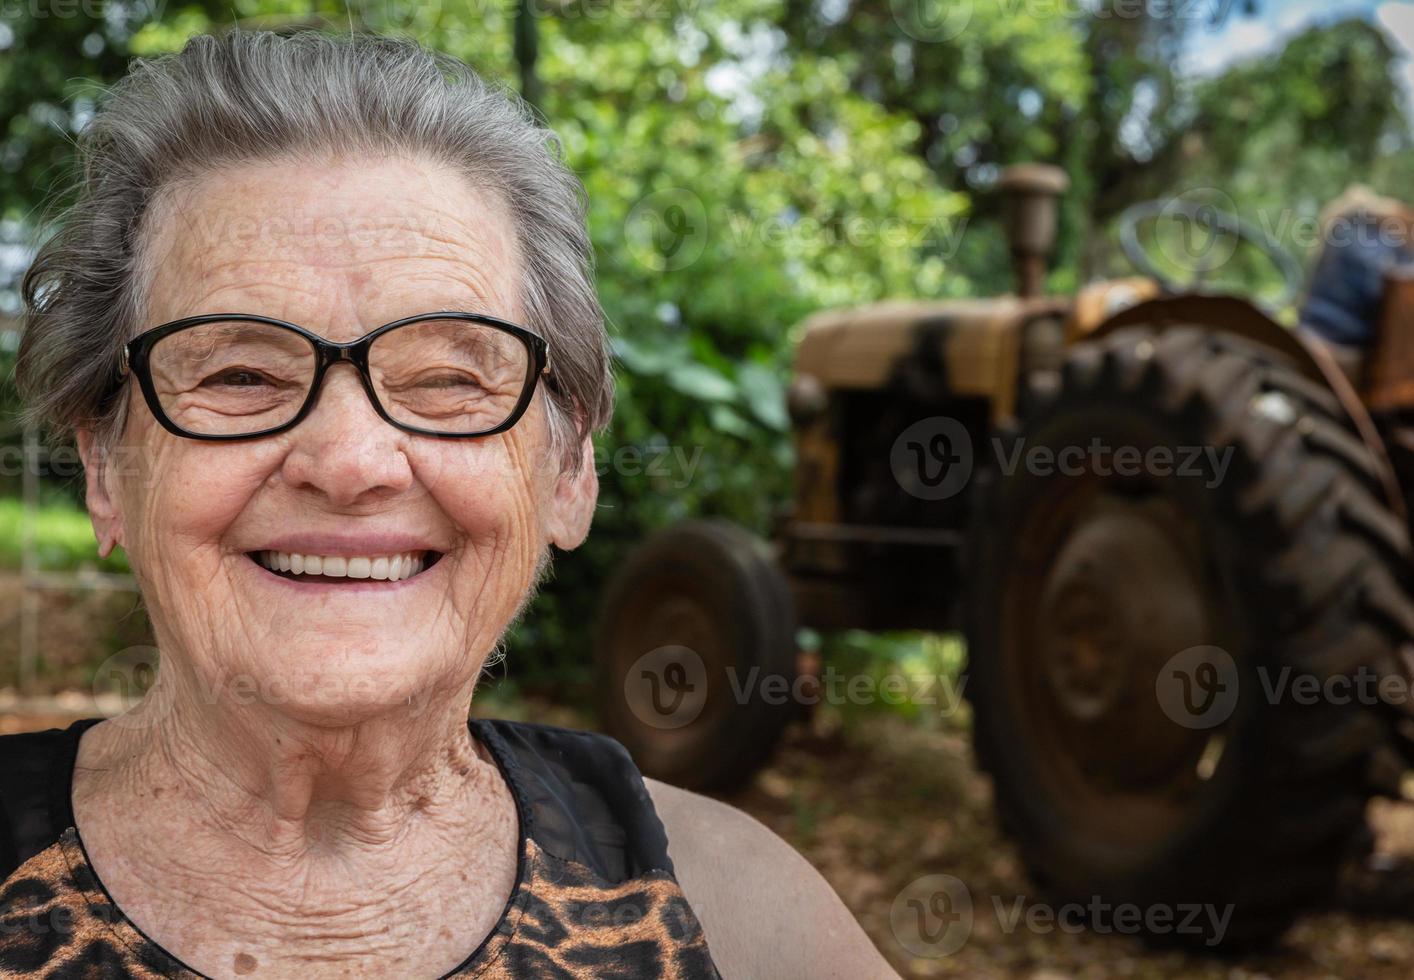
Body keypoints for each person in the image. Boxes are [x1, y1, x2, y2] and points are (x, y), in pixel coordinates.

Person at [0, 29, 895, 979]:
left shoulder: (736, 913)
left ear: (566, 473)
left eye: (444, 379)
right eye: (239, 373)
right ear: (107, 468)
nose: (349, 462)